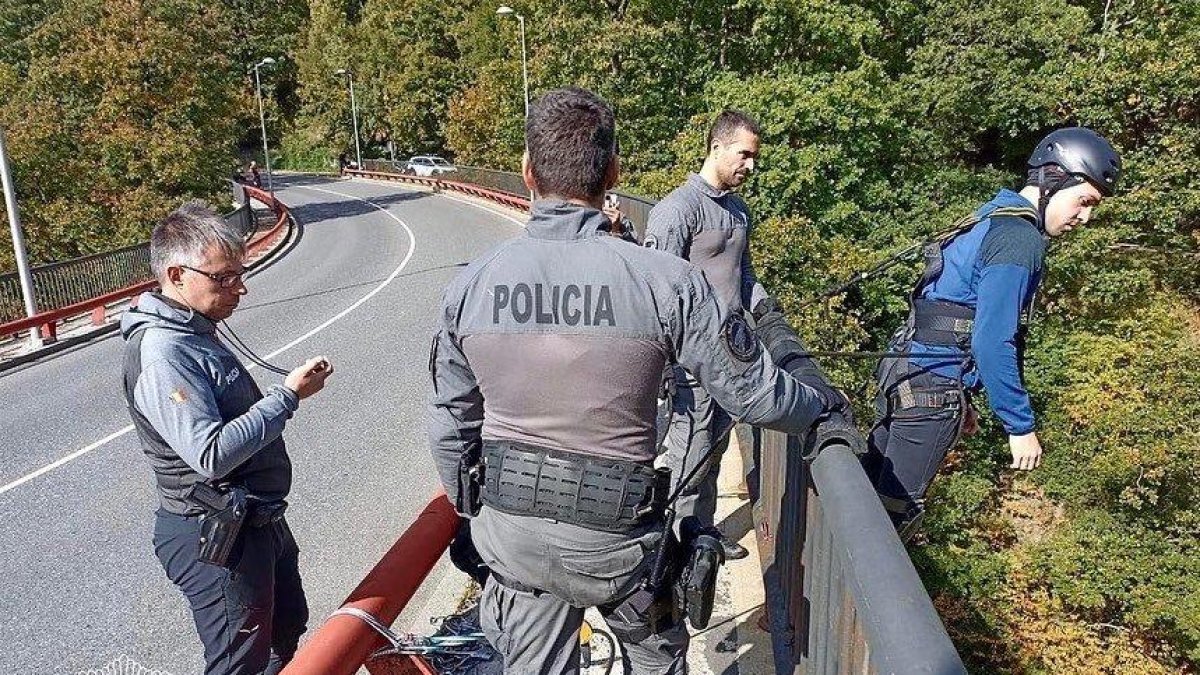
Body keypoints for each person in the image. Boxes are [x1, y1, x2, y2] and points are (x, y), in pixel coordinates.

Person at [428, 87, 844, 675]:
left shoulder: (469, 286)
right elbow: (752, 393)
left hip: (512, 539)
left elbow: (450, 427)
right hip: (619, 547)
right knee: (657, 660)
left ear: (527, 172)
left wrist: (474, 514)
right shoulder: (666, 283)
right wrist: (822, 404)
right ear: (613, 174)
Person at [867, 127, 1122, 536]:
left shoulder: (989, 216)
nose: (1085, 217)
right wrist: (1019, 426)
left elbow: (947, 314)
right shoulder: (1019, 239)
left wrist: (962, 393)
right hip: (930, 393)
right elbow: (992, 339)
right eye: (1084, 202)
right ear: (1054, 180)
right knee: (889, 525)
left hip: (905, 375)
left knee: (867, 499)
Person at [120, 201, 334, 675]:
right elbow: (210, 455)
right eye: (224, 278)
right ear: (176, 275)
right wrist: (287, 397)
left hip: (254, 518)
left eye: (240, 273)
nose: (240, 288)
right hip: (213, 532)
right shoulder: (164, 351)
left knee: (287, 624)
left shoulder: (195, 329)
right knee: (238, 663)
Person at [641, 110, 769, 560]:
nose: (750, 166)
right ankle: (668, 548)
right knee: (687, 456)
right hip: (689, 365)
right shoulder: (676, 211)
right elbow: (655, 295)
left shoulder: (738, 211)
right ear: (717, 147)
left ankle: (701, 535)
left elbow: (744, 274)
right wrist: (660, 367)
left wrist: (766, 308)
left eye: (754, 157)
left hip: (731, 357)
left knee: (713, 451)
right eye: (744, 155)